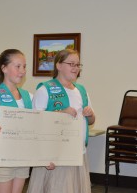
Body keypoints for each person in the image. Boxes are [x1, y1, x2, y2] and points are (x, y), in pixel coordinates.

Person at [27, 49, 95, 193]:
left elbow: (90, 121)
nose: (75, 68)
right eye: (71, 64)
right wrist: (61, 113)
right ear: (58, 66)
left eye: (78, 65)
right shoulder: (45, 90)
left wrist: (90, 115)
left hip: (78, 153)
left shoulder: (82, 91)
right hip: (54, 157)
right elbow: (35, 123)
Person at [0, 49, 32, 193]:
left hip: (22, 155)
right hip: (1, 156)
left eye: (24, 66)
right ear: (4, 68)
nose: (22, 71)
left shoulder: (28, 96)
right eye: (17, 66)